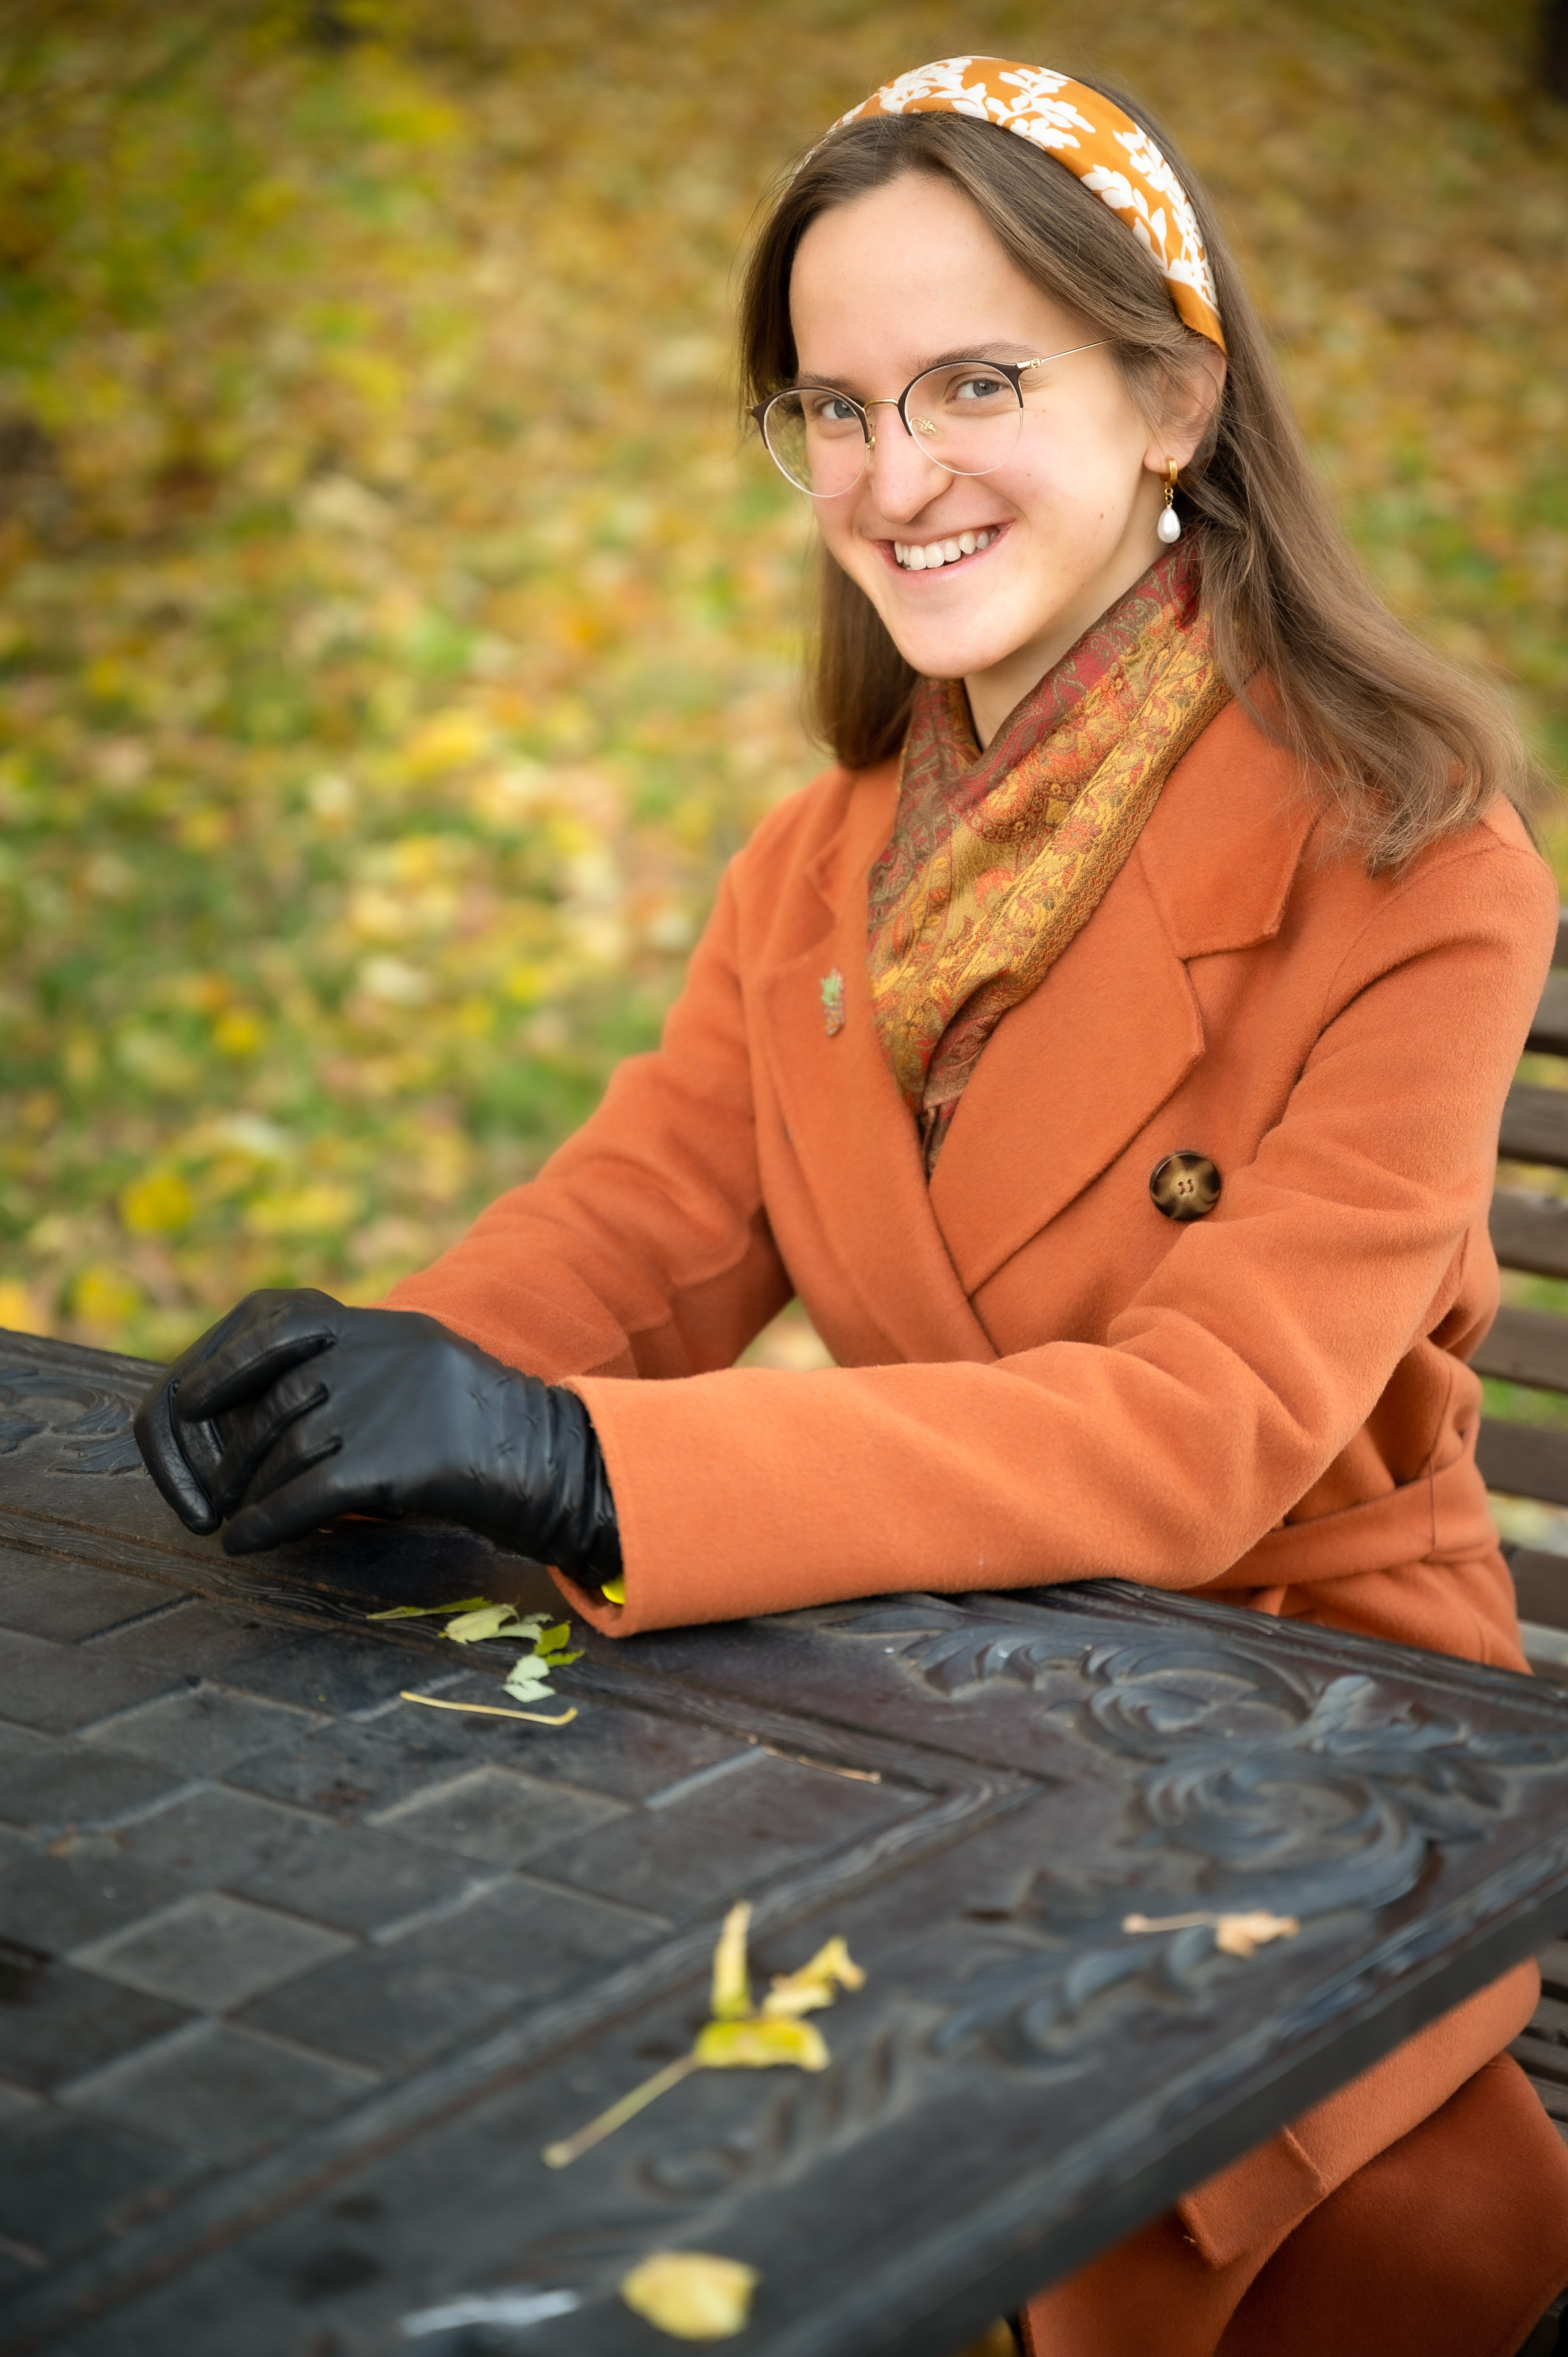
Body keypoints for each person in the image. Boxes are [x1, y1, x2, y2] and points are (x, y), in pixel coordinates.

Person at [134, 57, 1568, 2357]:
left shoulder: (1411, 857)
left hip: (1303, 1729)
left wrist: (578, 1463)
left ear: (1174, 397)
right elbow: (648, 1221)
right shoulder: (826, 858)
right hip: (920, 1691)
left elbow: (1211, 1427)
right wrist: (376, 1373)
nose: (893, 480)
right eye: (833, 406)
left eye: (977, 383)